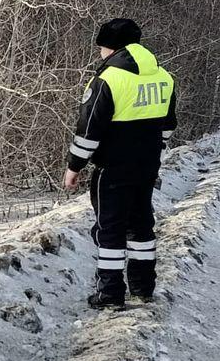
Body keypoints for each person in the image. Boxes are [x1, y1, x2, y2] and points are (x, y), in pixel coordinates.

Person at [62, 17, 177, 309]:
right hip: (147, 166)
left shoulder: (108, 79)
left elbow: (88, 132)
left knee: (110, 230)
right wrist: (154, 149)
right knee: (141, 226)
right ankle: (143, 287)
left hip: (112, 169)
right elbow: (168, 126)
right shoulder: (163, 77)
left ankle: (110, 293)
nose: (100, 52)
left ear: (111, 47)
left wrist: (74, 167)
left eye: (101, 47)